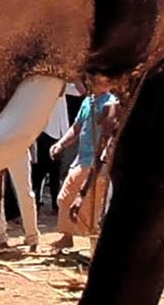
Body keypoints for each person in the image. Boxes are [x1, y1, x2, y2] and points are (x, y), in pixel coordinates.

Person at [49, 81, 118, 249]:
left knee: (92, 207)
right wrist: (61, 144)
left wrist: (102, 161)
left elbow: (109, 137)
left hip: (97, 164)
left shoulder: (111, 104)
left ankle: (94, 247)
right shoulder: (88, 101)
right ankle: (67, 236)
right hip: (81, 160)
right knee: (64, 199)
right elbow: (77, 126)